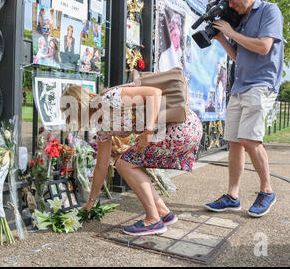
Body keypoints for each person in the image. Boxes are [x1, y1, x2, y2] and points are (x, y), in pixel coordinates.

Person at [60, 82, 203, 236]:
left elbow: (154, 92)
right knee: (125, 163)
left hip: (182, 127)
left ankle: (153, 220)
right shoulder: (102, 126)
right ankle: (163, 212)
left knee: (124, 165)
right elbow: (101, 166)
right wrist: (91, 202)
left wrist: (148, 132)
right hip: (173, 132)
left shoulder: (110, 98)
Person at [205, 0, 283, 217]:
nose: (229, 4)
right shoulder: (241, 19)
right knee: (235, 142)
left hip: (262, 84)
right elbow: (240, 56)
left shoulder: (270, 11)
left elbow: (263, 46)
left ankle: (267, 190)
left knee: (250, 139)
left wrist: (231, 31)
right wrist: (221, 38)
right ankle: (232, 196)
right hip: (240, 85)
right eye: (227, 1)